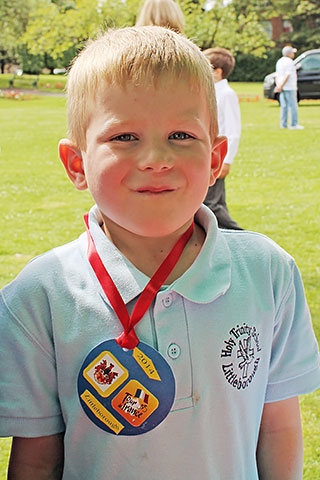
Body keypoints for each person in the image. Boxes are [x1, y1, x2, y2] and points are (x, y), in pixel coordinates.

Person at [0, 26, 319, 480]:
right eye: (124, 137)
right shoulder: (38, 297)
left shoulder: (268, 273)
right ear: (77, 164)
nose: (156, 158)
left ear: (215, 161)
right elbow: (36, 459)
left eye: (181, 135)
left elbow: (280, 429)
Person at [203, 47, 243, 230]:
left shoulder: (226, 95)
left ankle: (243, 239)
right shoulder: (210, 92)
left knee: (211, 206)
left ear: (218, 71)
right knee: (214, 202)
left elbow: (232, 130)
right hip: (206, 154)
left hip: (217, 156)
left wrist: (227, 161)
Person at [274, 45, 304, 130]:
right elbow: (287, 75)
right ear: (289, 53)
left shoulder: (279, 62)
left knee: (284, 106)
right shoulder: (289, 62)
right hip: (290, 87)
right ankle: (294, 124)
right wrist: (282, 85)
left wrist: (279, 86)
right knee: (293, 105)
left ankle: (283, 124)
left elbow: (277, 75)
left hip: (282, 87)